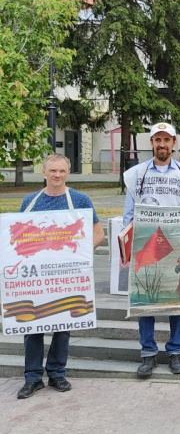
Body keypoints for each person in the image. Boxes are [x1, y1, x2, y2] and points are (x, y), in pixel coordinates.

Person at [17, 154, 105, 399]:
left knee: (63, 324)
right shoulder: (29, 202)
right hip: (35, 277)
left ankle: (57, 373)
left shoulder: (79, 199)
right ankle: (32, 377)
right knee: (32, 325)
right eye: (52, 170)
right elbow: (17, 238)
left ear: (68, 173)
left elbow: (98, 234)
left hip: (67, 276)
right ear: (43, 171)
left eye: (62, 171)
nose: (57, 175)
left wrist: (80, 255)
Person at [123, 123, 180, 378]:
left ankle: (175, 351)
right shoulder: (136, 175)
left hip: (176, 245)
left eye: (166, 139)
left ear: (174, 143)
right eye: (157, 139)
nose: (162, 144)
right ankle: (148, 353)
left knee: (177, 300)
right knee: (146, 299)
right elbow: (128, 215)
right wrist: (129, 244)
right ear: (151, 143)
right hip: (146, 245)